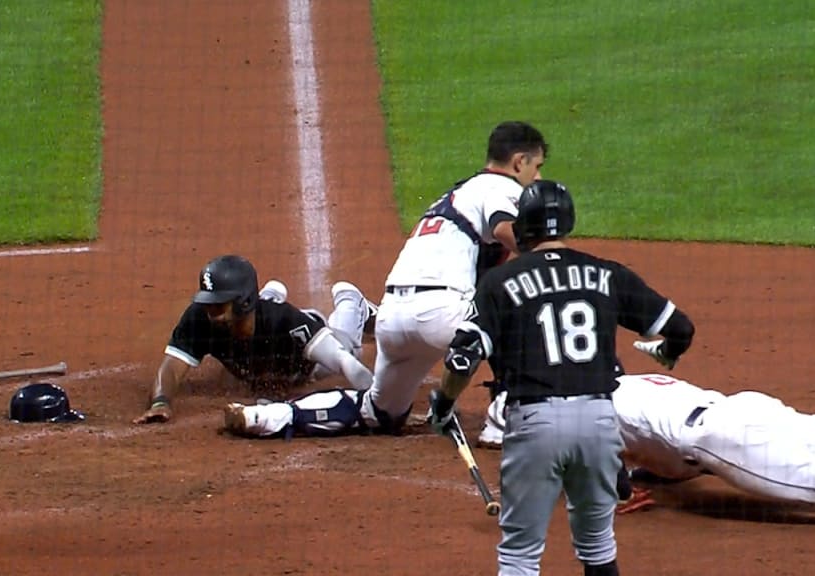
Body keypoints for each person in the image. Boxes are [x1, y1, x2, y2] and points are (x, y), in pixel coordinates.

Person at [427, 180, 695, 576]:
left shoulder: (499, 282)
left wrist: (445, 404)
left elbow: (463, 359)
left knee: (520, 555)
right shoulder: (608, 274)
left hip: (535, 426)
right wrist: (666, 352)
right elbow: (681, 329)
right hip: (600, 423)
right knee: (598, 546)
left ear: (523, 226)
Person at [360, 121, 547, 435]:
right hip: (442, 314)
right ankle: (502, 419)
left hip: (392, 317)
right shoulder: (501, 187)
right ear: (518, 162)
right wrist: (555, 264)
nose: (538, 177)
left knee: (382, 412)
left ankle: (278, 416)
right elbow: (505, 229)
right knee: (531, 323)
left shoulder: (459, 193)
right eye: (536, 166)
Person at [133, 254, 377, 424]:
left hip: (310, 353)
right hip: (261, 323)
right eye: (209, 305)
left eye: (219, 306)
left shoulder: (286, 323)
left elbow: (343, 361)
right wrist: (160, 402)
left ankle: (351, 302)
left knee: (350, 349)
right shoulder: (200, 318)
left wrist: (378, 398)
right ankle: (270, 294)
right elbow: (172, 367)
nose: (211, 313)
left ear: (244, 302)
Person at [613, 372, 815, 511]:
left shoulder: (586, 412)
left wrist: (621, 491)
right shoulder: (626, 382)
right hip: (747, 407)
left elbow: (603, 472)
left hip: (723, 438)